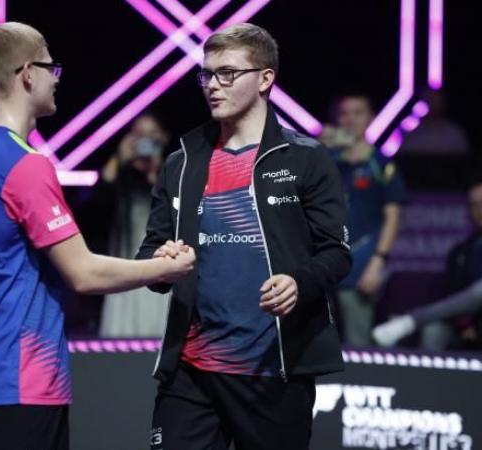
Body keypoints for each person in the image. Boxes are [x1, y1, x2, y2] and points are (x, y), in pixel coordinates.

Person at [0, 22, 195, 450]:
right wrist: (167, 267)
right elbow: (84, 273)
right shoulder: (25, 164)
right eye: (52, 67)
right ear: (28, 73)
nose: (58, 78)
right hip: (22, 379)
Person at [136, 23, 351, 450]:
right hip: (191, 373)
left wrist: (299, 283)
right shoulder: (181, 162)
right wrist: (161, 264)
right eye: (207, 75)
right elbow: (151, 256)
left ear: (265, 79)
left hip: (273, 371)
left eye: (228, 73)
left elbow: (337, 252)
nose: (213, 86)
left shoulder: (305, 158)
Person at [373, 180, 482, 351]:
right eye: (474, 205)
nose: (481, 209)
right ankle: (427, 377)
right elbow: (450, 294)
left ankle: (411, 320)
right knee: (433, 329)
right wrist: (464, 324)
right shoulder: (461, 252)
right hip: (462, 325)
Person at [321, 95, 408, 346]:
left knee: (357, 342)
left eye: (358, 113)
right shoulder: (326, 160)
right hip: (324, 262)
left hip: (361, 264)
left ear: (370, 118)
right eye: (344, 113)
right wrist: (315, 147)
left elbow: (393, 217)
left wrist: (378, 262)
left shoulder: (380, 163)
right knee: (320, 339)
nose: (350, 120)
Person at [79, 114, 171, 337]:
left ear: (164, 138)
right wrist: (118, 159)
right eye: (138, 136)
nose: (145, 143)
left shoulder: (172, 171)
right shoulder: (119, 176)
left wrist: (155, 175)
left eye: (151, 136)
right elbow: (90, 211)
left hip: (160, 269)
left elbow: (179, 216)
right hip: (122, 267)